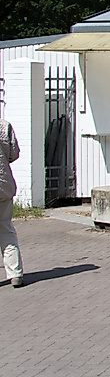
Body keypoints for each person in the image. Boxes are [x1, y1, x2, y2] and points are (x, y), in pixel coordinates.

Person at [0, 117, 23, 288]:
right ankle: (15, 274)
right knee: (6, 229)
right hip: (3, 186)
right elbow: (13, 154)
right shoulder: (4, 125)